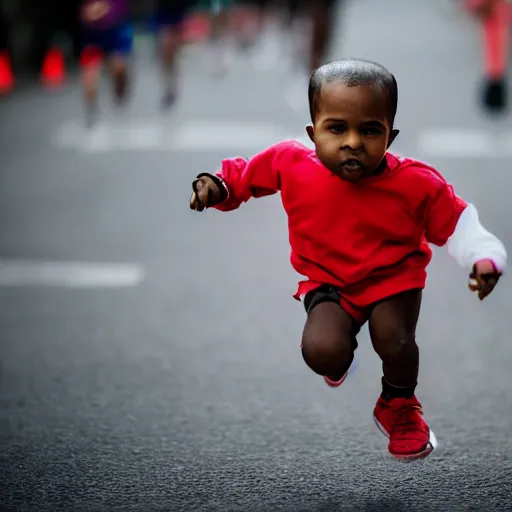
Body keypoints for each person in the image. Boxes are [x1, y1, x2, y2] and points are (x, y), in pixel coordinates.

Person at [189, 58, 507, 460]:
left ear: (390, 136)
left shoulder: (415, 182)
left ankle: (398, 406)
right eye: (337, 128)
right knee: (322, 351)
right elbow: (245, 177)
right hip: (328, 282)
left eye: (370, 130)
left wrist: (484, 258)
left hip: (394, 280)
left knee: (394, 338)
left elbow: (460, 223)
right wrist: (216, 186)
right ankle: (339, 357)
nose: (353, 142)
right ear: (313, 131)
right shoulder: (291, 162)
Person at [79, 0, 133, 126]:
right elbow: (85, 15)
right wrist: (91, 13)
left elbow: (119, 11)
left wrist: (104, 11)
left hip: (115, 32)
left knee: (119, 66)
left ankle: (120, 92)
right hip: (93, 35)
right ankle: (91, 109)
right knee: (90, 77)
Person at [152, 0, 191, 108]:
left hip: (177, 11)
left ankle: (172, 85)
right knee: (165, 52)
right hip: (163, 12)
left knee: (171, 52)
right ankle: (169, 85)